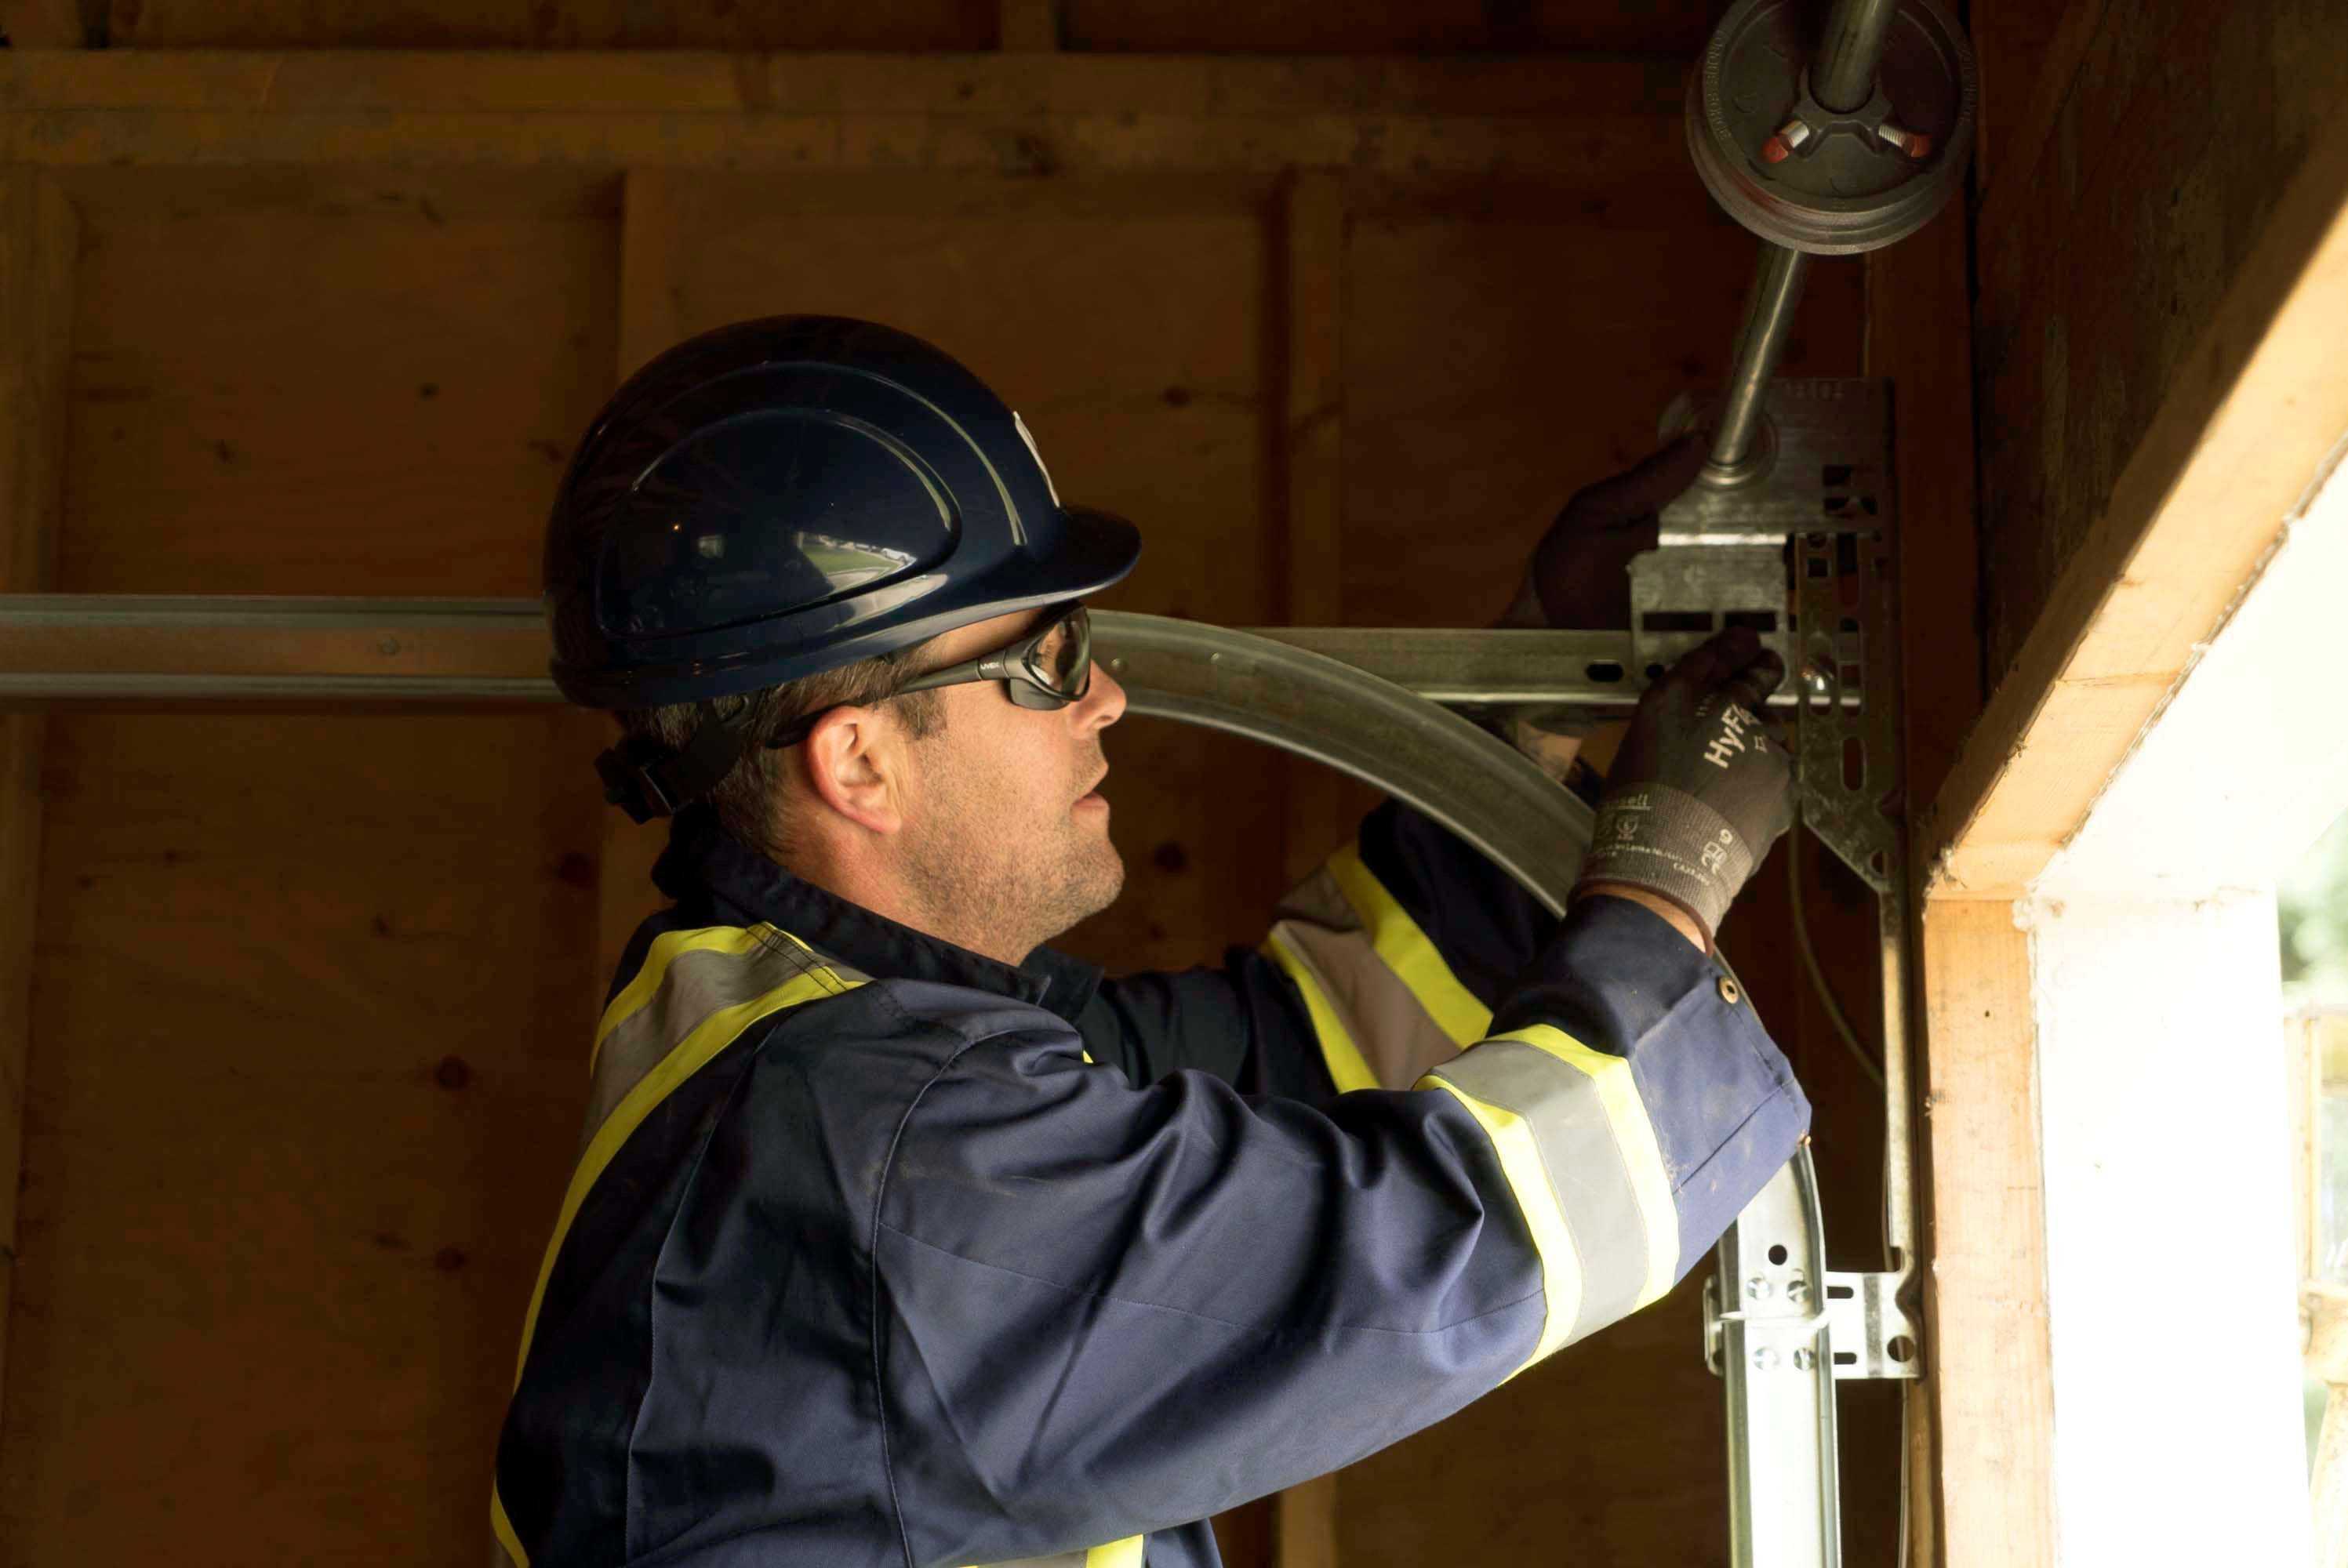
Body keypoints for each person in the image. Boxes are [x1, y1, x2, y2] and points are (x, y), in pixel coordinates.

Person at [492, 316, 1806, 1568]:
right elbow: (1454, 1246)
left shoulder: (824, 1052)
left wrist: (1528, 697)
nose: (1106, 700)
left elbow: (1313, 1044)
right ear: (860, 762)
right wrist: (1669, 878)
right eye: (1049, 660)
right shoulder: (895, 1151)